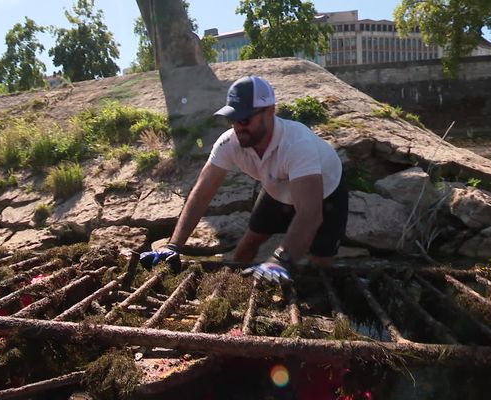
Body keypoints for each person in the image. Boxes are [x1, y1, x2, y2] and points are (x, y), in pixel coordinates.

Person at [140, 75, 348, 284]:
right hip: (277, 189)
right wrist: (173, 246)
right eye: (232, 119)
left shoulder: (297, 143)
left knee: (321, 263)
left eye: (245, 118)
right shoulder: (229, 142)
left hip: (325, 195)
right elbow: (201, 193)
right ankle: (234, 285)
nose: (238, 126)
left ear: (270, 111)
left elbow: (310, 214)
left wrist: (279, 260)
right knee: (248, 244)